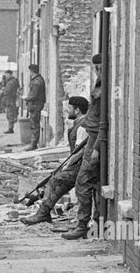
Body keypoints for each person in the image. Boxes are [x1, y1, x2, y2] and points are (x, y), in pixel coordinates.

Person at [21, 96, 89, 225]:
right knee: (54, 177)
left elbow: (80, 151)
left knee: (56, 180)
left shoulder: (82, 126)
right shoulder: (80, 123)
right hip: (78, 164)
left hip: (82, 167)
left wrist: (67, 165)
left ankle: (43, 213)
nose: (66, 111)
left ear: (77, 110)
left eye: (69, 108)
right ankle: (41, 203)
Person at [62, 55, 102, 239]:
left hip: (95, 139)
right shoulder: (99, 84)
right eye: (96, 67)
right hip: (93, 137)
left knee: (83, 182)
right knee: (92, 183)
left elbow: (103, 122)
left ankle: (82, 226)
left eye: (102, 67)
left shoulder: (104, 86)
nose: (99, 70)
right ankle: (94, 223)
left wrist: (97, 147)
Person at [23, 64, 46, 150]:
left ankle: (33, 144)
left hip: (35, 105)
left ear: (32, 71)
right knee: (34, 125)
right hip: (35, 105)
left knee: (35, 125)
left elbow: (33, 96)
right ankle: (33, 143)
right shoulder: (37, 80)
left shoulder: (37, 82)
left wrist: (26, 98)